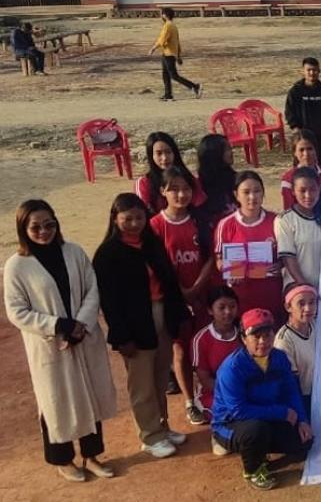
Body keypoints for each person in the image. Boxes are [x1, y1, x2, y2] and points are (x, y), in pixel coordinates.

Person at [5, 200, 116, 482]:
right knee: (55, 401)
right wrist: (57, 325)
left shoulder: (74, 252)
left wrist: (81, 324)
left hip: (83, 337)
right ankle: (62, 458)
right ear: (23, 228)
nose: (44, 231)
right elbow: (17, 311)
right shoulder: (17, 266)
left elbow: (92, 289)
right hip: (50, 344)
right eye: (36, 227)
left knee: (89, 394)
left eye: (49, 225)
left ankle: (92, 455)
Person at [94, 193, 189, 459]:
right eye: (127, 219)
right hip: (135, 324)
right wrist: (121, 335)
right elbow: (109, 301)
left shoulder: (151, 243)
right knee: (142, 384)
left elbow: (169, 282)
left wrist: (177, 316)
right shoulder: (107, 255)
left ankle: (163, 426)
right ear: (115, 219)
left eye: (139, 218)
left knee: (160, 377)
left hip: (161, 315)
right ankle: (149, 436)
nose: (135, 223)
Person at [212, 308, 313, 491]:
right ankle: (252, 469)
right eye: (255, 336)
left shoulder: (280, 357)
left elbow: (291, 391)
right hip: (231, 424)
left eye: (267, 335)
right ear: (243, 338)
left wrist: (303, 420)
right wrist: (281, 412)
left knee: (304, 442)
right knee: (255, 430)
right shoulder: (232, 368)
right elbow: (238, 411)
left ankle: (258, 450)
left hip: (266, 417)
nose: (263, 341)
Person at [150, 166, 216, 426]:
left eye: (186, 188)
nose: (181, 194)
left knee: (206, 346)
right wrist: (181, 292)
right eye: (174, 189)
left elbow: (210, 256)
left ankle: (208, 395)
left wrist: (197, 288)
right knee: (180, 350)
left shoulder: (199, 220)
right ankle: (190, 401)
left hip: (202, 295)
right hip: (174, 299)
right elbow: (158, 265)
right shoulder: (155, 225)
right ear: (163, 191)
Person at [214, 172, 283, 321]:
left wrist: (281, 266)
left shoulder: (277, 221)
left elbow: (288, 255)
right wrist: (231, 270)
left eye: (257, 191)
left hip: (272, 295)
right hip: (241, 297)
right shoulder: (226, 224)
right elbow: (219, 260)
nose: (252, 197)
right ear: (236, 195)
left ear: (263, 192)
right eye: (246, 192)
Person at [191, 286, 240, 426]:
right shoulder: (201, 339)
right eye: (222, 307)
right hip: (215, 393)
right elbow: (205, 379)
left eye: (232, 306)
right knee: (231, 414)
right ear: (210, 310)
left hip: (244, 388)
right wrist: (233, 395)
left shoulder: (246, 334)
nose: (228, 312)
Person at [284, 57, 321, 166]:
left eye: (314, 70)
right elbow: (290, 114)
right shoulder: (295, 91)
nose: (312, 73)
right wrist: (298, 136)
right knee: (303, 170)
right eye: (308, 70)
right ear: (303, 71)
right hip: (304, 139)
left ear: (319, 71)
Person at [276, 167, 321, 288]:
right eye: (302, 190)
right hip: (298, 289)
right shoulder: (285, 220)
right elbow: (288, 258)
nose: (308, 195)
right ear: (293, 191)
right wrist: (304, 285)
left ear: (319, 189)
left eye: (313, 189)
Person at [274, 284, 318, 413]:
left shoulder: (316, 326)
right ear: (288, 307)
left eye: (312, 302)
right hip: (301, 400)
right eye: (301, 303)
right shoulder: (284, 340)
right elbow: (291, 385)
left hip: (319, 394)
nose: (308, 308)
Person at [137, 132, 205, 215]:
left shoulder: (188, 178)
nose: (165, 158)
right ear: (151, 156)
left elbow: (200, 204)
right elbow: (141, 213)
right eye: (159, 153)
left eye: (168, 152)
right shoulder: (144, 183)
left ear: (174, 153)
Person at [148, 8, 200, 102]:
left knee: (173, 75)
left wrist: (153, 48)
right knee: (165, 74)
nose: (161, 16)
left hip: (169, 53)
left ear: (165, 15)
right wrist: (179, 55)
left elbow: (162, 39)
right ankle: (168, 94)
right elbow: (177, 42)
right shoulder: (173, 26)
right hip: (168, 53)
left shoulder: (168, 26)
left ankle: (194, 86)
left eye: (162, 14)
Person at [279, 130, 321, 210]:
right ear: (294, 152)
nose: (306, 154)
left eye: (310, 149)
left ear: (316, 150)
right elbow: (289, 209)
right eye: (301, 150)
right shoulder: (288, 179)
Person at [196, 134, 238, 222]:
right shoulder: (200, 186)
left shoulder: (236, 179)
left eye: (230, 148)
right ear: (213, 154)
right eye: (226, 149)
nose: (231, 152)